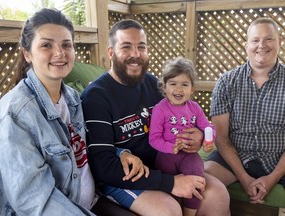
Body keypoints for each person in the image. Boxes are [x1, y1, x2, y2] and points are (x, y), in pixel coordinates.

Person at [81, 19, 230, 216]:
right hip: (122, 177)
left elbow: (188, 117)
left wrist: (199, 137)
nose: (135, 54)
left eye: (141, 47)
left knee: (218, 195)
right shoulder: (96, 97)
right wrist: (171, 183)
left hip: (164, 163)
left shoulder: (154, 84)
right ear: (111, 52)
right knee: (167, 211)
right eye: (126, 47)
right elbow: (103, 166)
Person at [0, 8, 136, 216]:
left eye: (66, 45)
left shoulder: (72, 98)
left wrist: (120, 153)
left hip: (89, 199)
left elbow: (84, 148)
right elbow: (33, 201)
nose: (60, 53)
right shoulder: (16, 113)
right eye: (46, 45)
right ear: (27, 53)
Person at [205, 17, 285, 204]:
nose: (261, 45)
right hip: (234, 158)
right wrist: (244, 178)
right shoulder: (226, 82)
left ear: (279, 41)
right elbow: (221, 138)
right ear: (246, 45)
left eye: (269, 39)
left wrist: (272, 179)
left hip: (278, 159)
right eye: (255, 40)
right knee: (202, 182)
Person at [149, 57, 215, 216]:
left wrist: (208, 139)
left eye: (184, 84)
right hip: (166, 156)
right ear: (164, 87)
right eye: (173, 84)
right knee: (170, 192)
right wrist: (171, 147)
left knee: (196, 179)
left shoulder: (195, 108)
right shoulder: (160, 109)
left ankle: (189, 213)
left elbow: (208, 126)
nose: (178, 89)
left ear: (192, 88)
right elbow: (154, 139)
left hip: (189, 155)